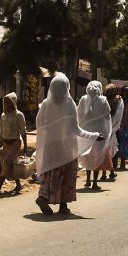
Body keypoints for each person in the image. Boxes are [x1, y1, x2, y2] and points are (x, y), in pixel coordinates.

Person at [34, 73, 101, 215]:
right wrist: (94, 136)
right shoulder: (69, 104)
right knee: (66, 176)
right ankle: (63, 206)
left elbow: (39, 124)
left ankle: (43, 198)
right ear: (66, 88)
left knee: (49, 174)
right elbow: (75, 129)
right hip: (67, 148)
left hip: (50, 147)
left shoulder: (46, 104)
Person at [77, 81, 113, 189]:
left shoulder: (83, 99)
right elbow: (107, 115)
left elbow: (79, 115)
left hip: (86, 133)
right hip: (100, 133)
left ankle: (88, 180)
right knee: (97, 157)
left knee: (88, 156)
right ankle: (95, 183)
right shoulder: (103, 100)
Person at [0, 93, 28, 195]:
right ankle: (18, 184)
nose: (7, 103)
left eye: (9, 101)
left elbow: (23, 131)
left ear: (13, 102)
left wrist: (25, 146)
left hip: (15, 143)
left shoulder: (19, 115)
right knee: (11, 165)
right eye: (6, 101)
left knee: (6, 162)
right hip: (5, 143)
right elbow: (1, 132)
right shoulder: (3, 115)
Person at [104, 84, 123, 180]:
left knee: (103, 150)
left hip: (104, 129)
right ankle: (111, 171)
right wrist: (114, 128)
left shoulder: (103, 100)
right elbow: (119, 115)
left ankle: (103, 173)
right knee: (113, 150)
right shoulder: (119, 100)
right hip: (115, 129)